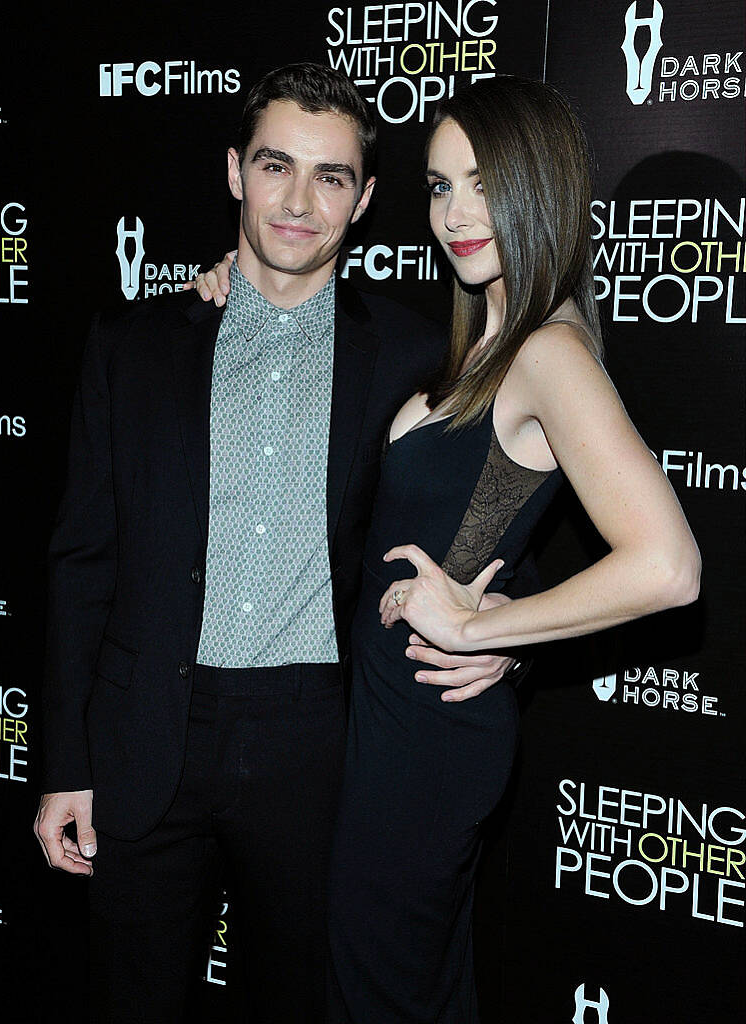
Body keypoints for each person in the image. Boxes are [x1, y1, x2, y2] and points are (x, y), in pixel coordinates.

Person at [195, 76, 700, 1022]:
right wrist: (507, 617)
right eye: (438, 187)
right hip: (388, 719)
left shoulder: (550, 352)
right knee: (404, 987)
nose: (458, 215)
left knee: (378, 989)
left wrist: (480, 627)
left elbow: (667, 566)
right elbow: (492, 515)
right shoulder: (487, 339)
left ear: (542, 187)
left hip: (425, 737)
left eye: (483, 183)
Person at [32, 63, 528, 1024]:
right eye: (275, 167)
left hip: (322, 743)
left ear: (366, 198)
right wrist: (66, 763)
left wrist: (507, 619)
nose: (299, 202)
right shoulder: (132, 343)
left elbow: (489, 521)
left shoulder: (417, 355)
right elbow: (79, 563)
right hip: (147, 738)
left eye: (331, 177)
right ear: (233, 173)